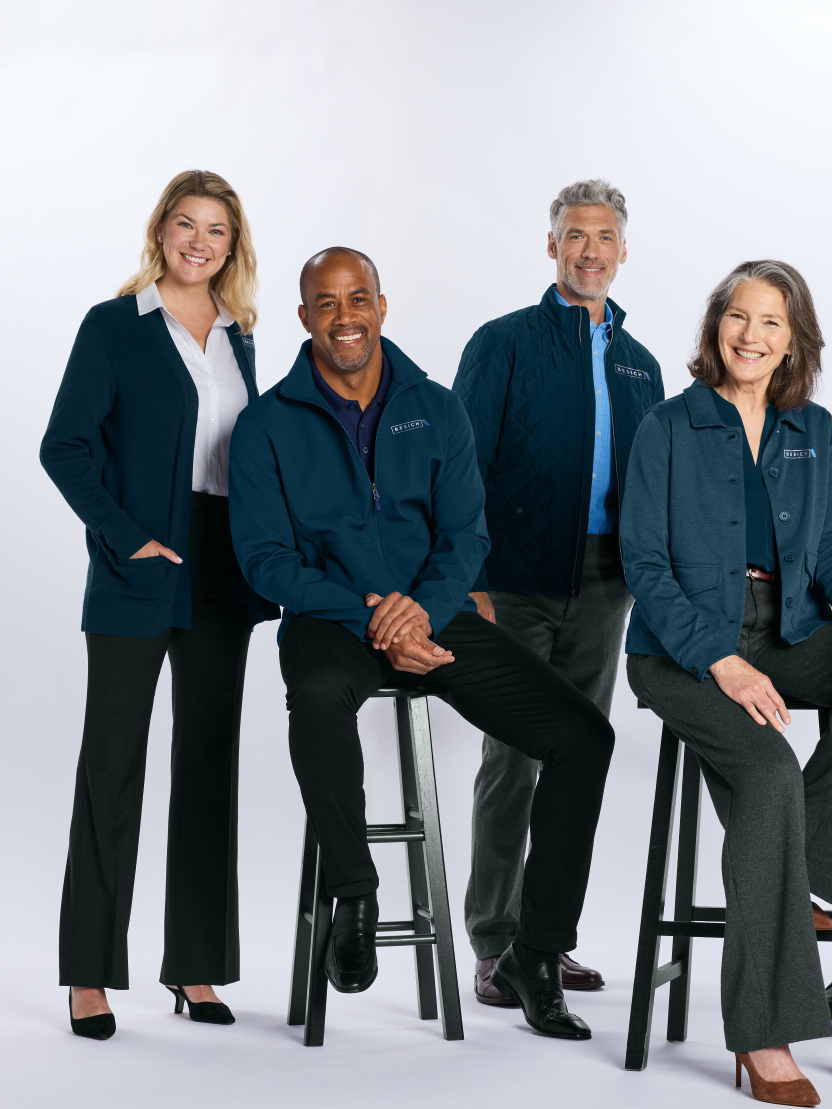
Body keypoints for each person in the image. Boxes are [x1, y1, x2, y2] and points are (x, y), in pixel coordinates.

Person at [229, 248, 616, 1041]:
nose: (346, 316)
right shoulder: (267, 424)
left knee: (584, 736)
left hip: (435, 618)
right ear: (303, 316)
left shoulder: (435, 408)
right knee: (316, 695)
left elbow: (465, 537)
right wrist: (377, 616)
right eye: (326, 302)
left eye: (359, 298)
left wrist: (420, 615)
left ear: (381, 304)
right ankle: (357, 893)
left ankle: (535, 953)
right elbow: (266, 561)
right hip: (330, 623)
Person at [623, 260, 832, 1106]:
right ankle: (763, 1032)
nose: (750, 335)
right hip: (681, 645)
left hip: (787, 626)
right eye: (738, 316)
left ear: (794, 340)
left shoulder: (813, 429)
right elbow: (643, 564)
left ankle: (803, 878)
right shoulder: (669, 427)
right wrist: (717, 657)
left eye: (771, 322)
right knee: (765, 773)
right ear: (715, 324)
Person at [39, 170, 279, 1040]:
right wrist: (124, 533)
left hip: (223, 565)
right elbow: (63, 445)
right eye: (186, 224)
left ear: (232, 245)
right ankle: (90, 974)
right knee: (113, 764)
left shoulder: (241, 336)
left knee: (209, 764)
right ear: (161, 232)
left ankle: (198, 966)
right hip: (140, 562)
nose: (200, 242)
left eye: (217, 230)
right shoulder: (114, 327)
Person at [453, 179, 665, 1008]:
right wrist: (467, 579)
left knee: (580, 758)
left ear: (622, 251)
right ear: (552, 247)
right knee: (513, 757)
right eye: (575, 236)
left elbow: (652, 482)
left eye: (604, 237)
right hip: (514, 581)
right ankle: (494, 941)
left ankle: (547, 940)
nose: (590, 251)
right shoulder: (503, 343)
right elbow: (458, 466)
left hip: (605, 584)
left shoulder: (639, 362)